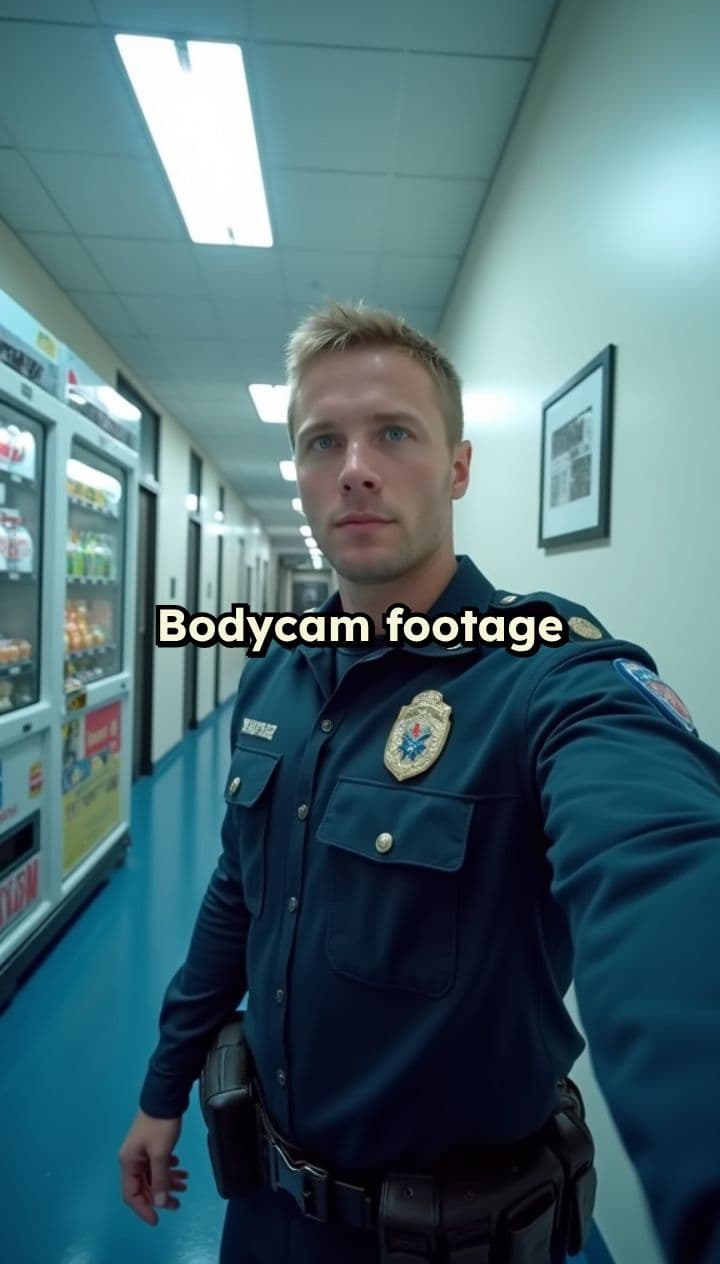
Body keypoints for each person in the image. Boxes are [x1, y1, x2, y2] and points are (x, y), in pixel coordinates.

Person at [119, 302, 720, 1264]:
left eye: (394, 432)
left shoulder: (543, 672)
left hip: (466, 1238)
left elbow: (659, 853)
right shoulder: (278, 665)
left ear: (458, 467)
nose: (355, 465)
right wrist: (163, 1085)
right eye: (323, 442)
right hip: (267, 1218)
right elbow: (240, 892)